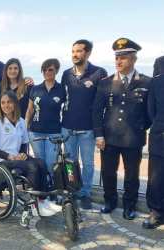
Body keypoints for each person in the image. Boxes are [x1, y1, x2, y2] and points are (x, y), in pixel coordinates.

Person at [93, 38, 151, 220]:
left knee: (131, 176)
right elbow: (96, 111)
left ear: (134, 59)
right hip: (109, 138)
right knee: (108, 173)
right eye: (117, 58)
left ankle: (129, 206)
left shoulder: (146, 82)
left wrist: (141, 127)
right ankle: (110, 202)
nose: (118, 61)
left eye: (123, 58)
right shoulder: (106, 83)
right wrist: (99, 135)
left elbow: (150, 112)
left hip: (133, 138)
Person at [0, 91, 61, 216]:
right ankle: (34, 203)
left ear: (15, 103)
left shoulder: (21, 122)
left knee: (41, 163)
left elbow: (24, 143)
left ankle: (43, 200)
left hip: (16, 158)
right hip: (1, 161)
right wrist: (9, 156)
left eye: (9, 102)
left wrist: (23, 154)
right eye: (3, 103)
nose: (6, 105)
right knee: (32, 167)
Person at [60, 40, 108, 209]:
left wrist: (100, 130)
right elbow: (61, 97)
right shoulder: (66, 74)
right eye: (73, 51)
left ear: (88, 53)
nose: (75, 54)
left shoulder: (99, 73)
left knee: (88, 164)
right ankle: (72, 191)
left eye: (79, 51)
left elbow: (102, 103)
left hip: (88, 129)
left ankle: (85, 193)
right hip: (67, 128)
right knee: (70, 164)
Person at [26, 59, 66, 175]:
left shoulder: (62, 89)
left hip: (53, 133)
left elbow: (67, 108)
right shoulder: (35, 89)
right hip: (35, 132)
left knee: (51, 163)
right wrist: (26, 127)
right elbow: (29, 110)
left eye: (50, 69)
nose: (47, 72)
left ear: (56, 71)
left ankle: (51, 188)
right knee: (40, 163)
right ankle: (42, 189)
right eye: (44, 70)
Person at [143, 73, 164, 229]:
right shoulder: (157, 81)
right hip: (160, 137)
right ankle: (156, 212)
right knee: (156, 177)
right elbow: (151, 110)